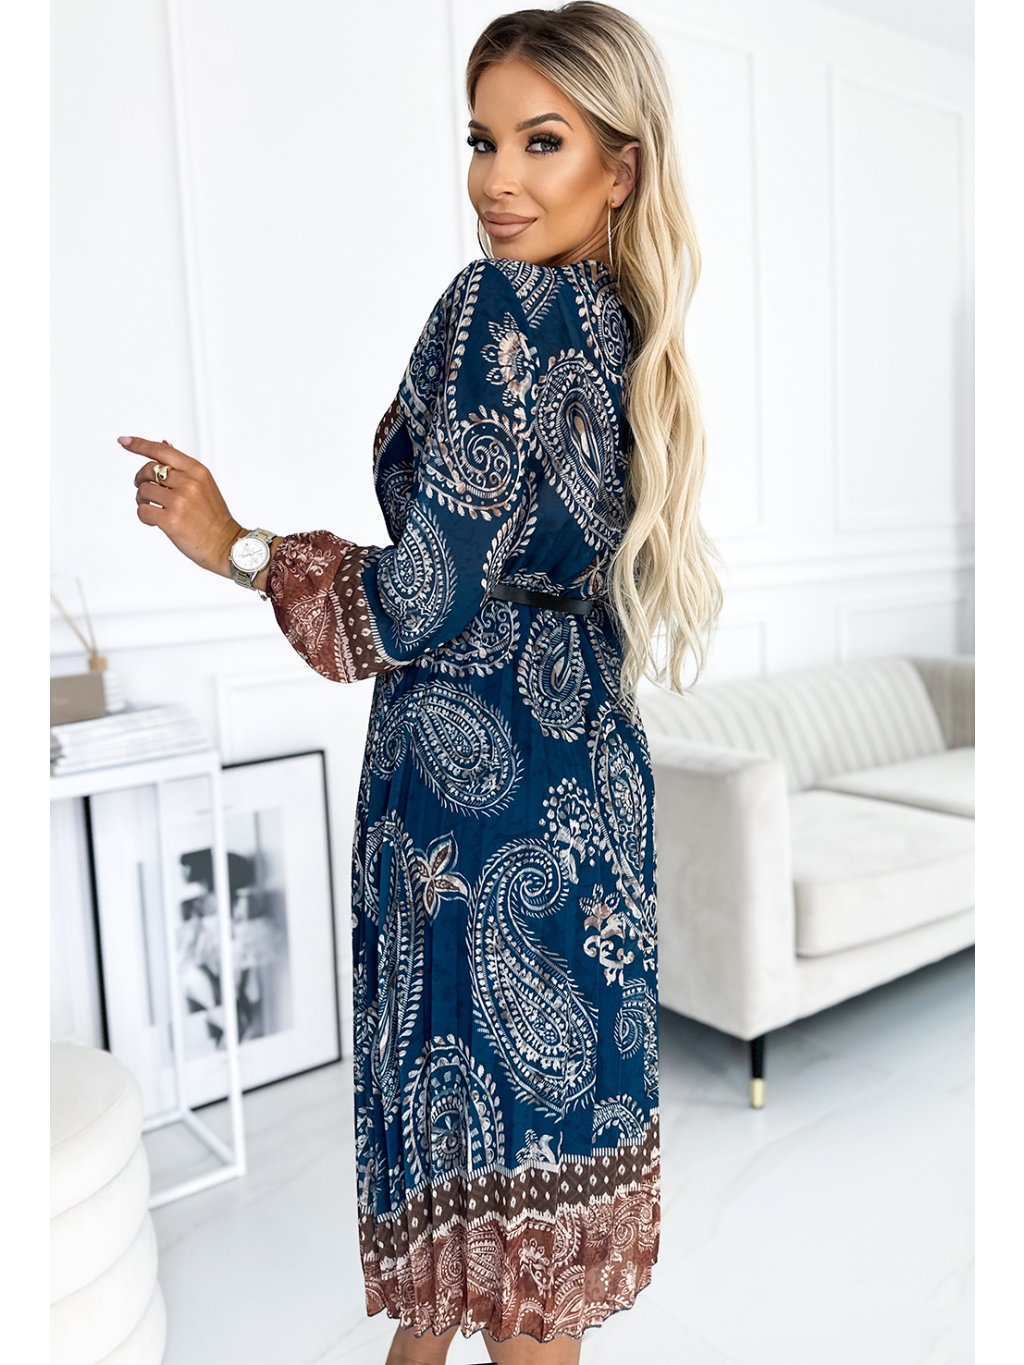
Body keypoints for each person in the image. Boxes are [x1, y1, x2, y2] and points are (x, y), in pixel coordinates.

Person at [114, 4, 723, 1360]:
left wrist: (238, 545)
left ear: (618, 166)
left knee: (477, 1249)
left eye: (541, 142)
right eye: (481, 140)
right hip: (590, 806)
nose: (498, 179)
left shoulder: (498, 306)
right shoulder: (631, 333)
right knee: (535, 1261)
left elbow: (418, 601)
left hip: (470, 823)